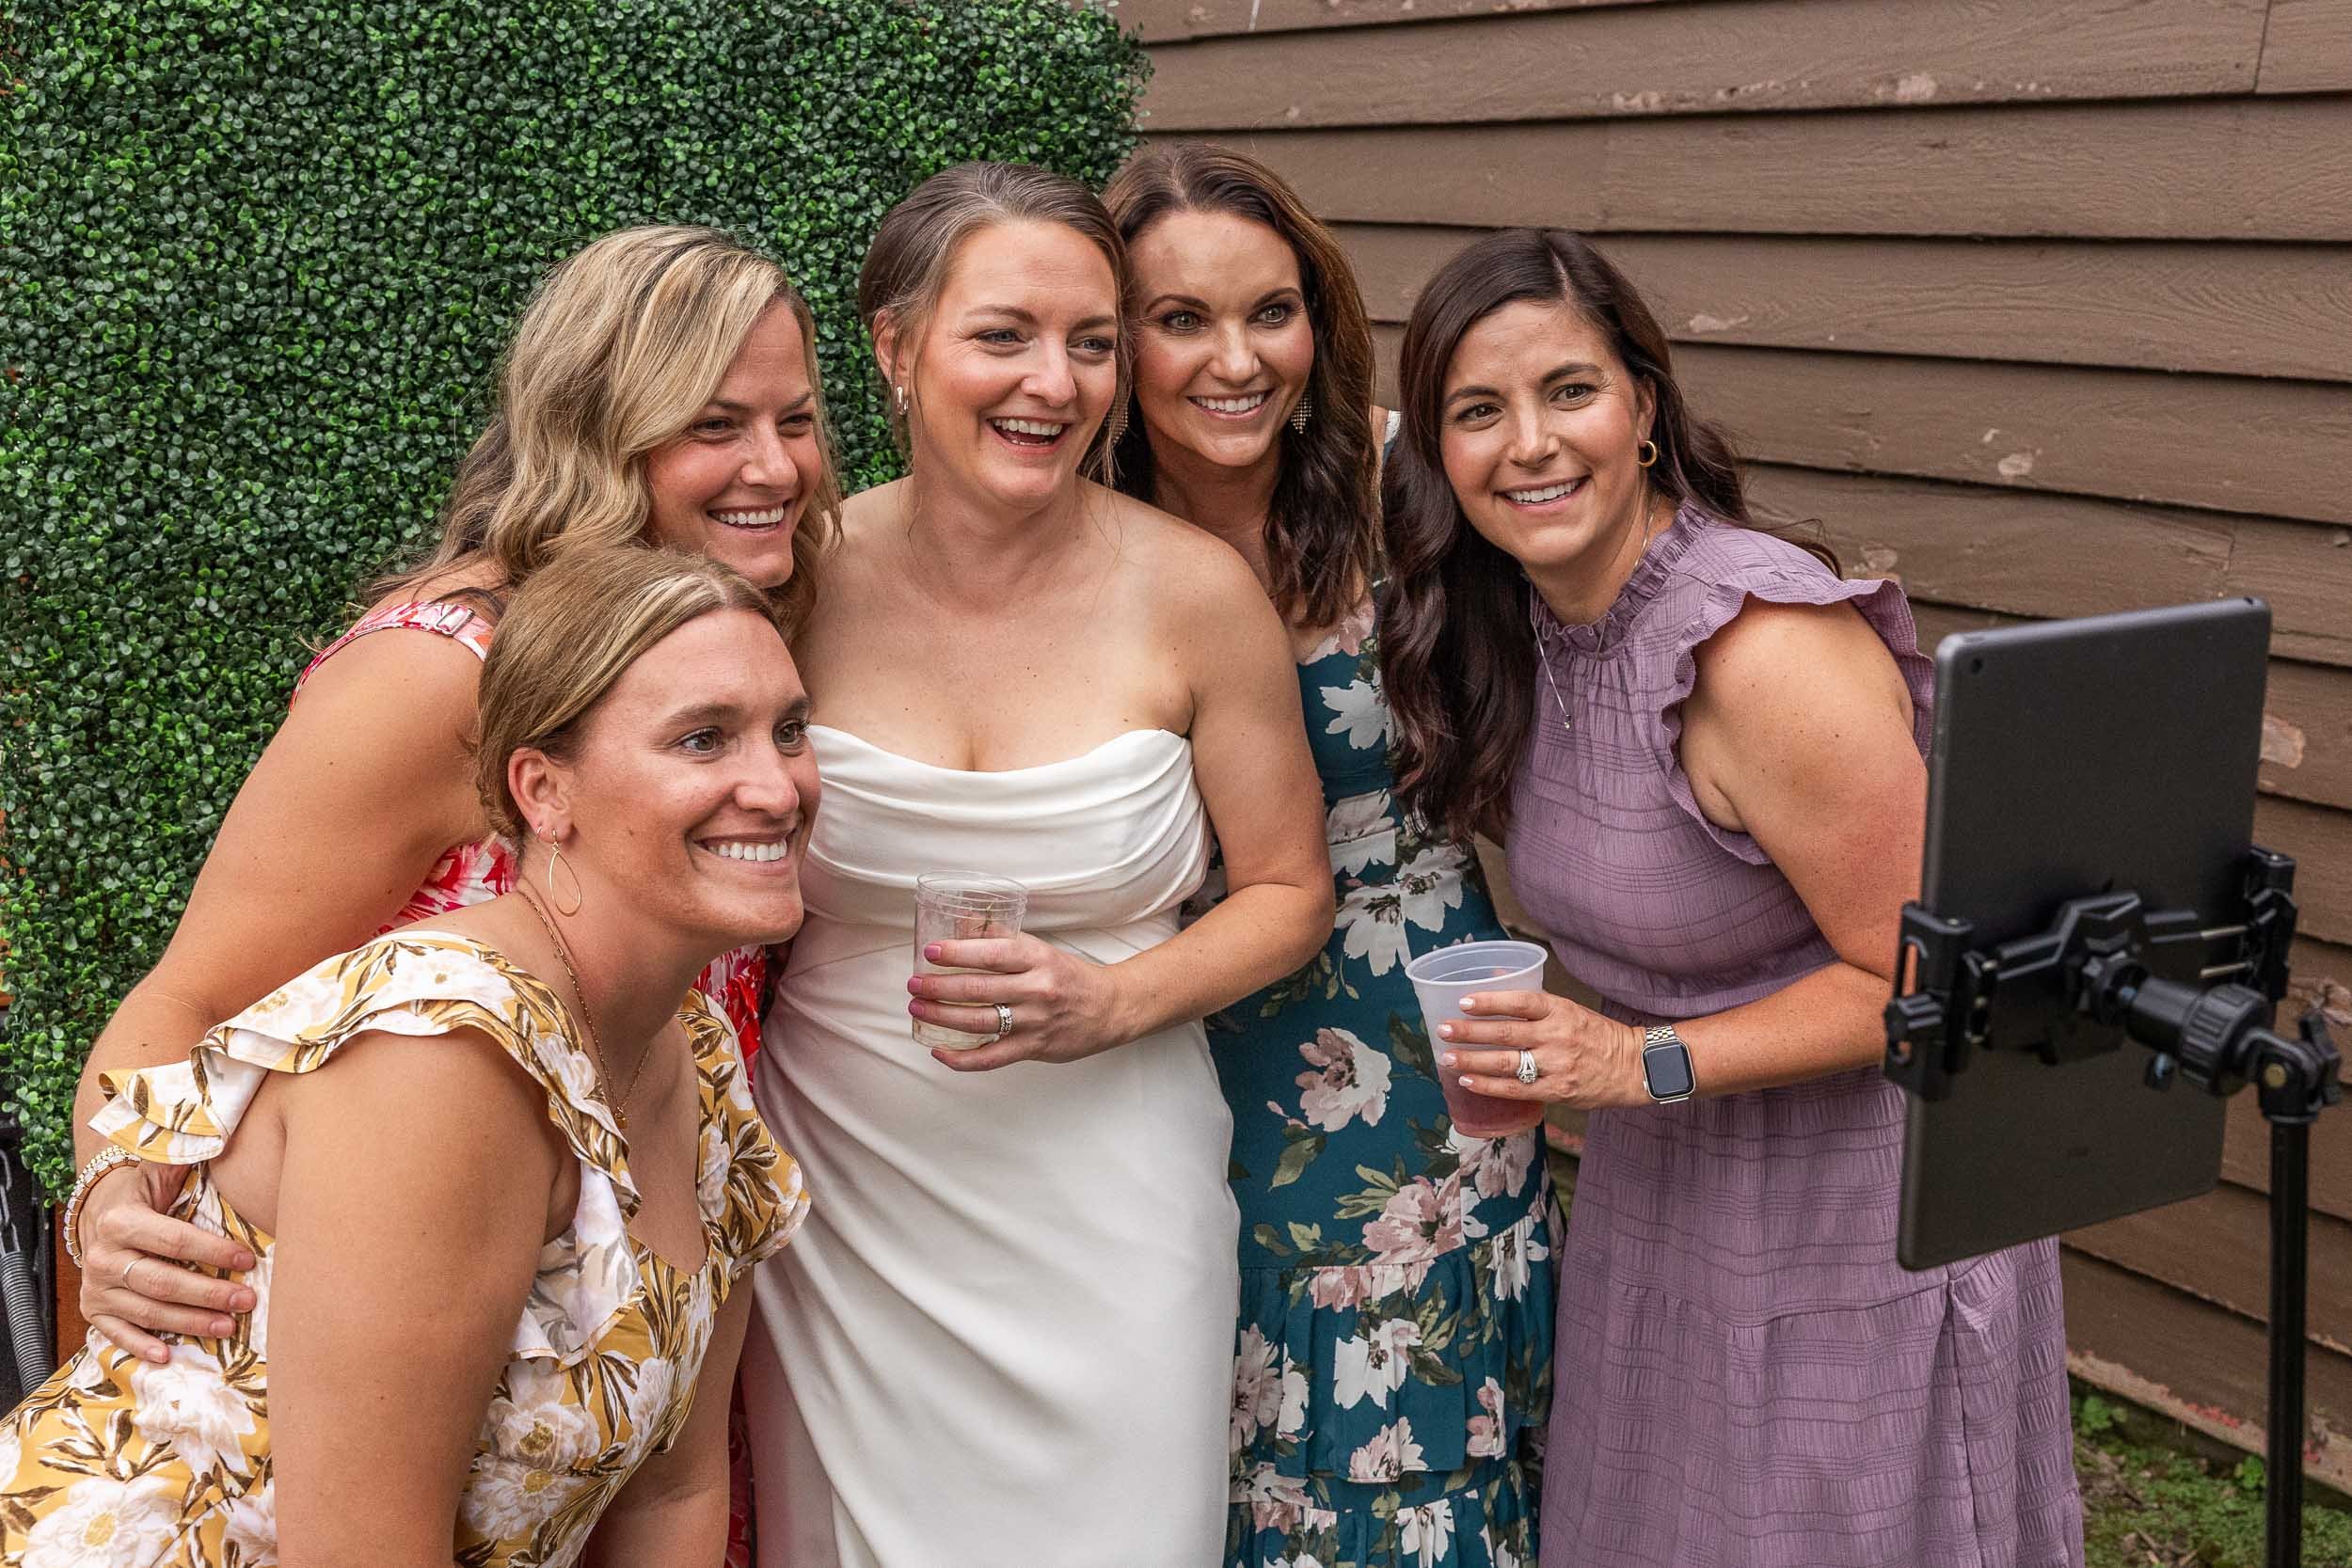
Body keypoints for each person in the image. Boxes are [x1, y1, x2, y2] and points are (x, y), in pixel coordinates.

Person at [63, 223, 838, 1565]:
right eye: (715, 422)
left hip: (617, 1284)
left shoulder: (739, 633)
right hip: (383, 1308)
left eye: (800, 418)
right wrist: (113, 1198)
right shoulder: (444, 679)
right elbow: (189, 997)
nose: (774, 464)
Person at [1377, 228, 2085, 1567]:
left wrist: (1636, 1055)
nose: (1529, 442)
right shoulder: (1527, 616)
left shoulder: (1759, 650)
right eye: (1479, 410)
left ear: (1645, 405)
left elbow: (1934, 976)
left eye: (1569, 391)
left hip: (1857, 1215)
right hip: (1671, 1189)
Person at [739, 162, 1334, 1568]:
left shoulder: (1196, 588)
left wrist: (1114, 999)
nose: (1053, 383)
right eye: (1003, 334)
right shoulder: (788, 577)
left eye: (1092, 341)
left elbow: (1293, 891)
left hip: (1113, 1205)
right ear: (895, 346)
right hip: (844, 1203)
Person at [0, 546, 813, 1562]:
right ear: (542, 790)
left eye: (789, 730)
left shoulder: (695, 1058)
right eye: (703, 739)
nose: (777, 786)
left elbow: (672, 1490)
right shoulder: (440, 1051)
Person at [1103, 143, 1555, 1568]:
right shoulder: (1062, 535)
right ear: (1111, 340)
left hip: (1417, 1041)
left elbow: (1616, 578)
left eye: (1272, 311)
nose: (1238, 360)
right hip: (1167, 1039)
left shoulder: (1409, 486)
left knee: (1421, 1426)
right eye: (1181, 318)